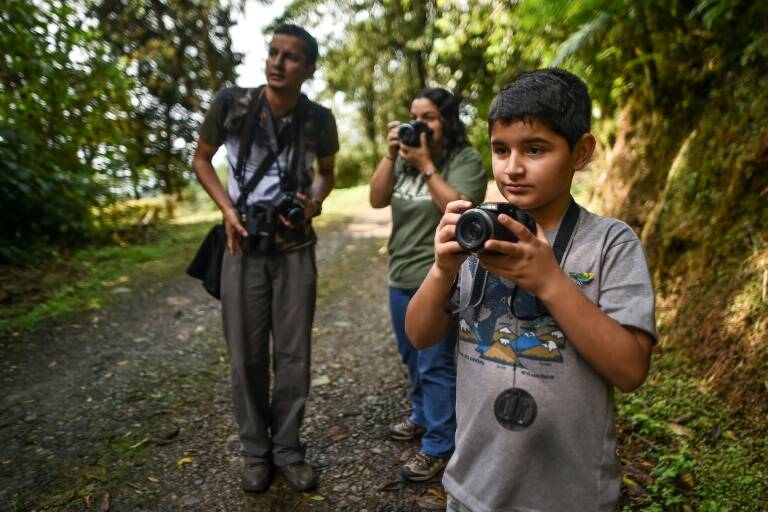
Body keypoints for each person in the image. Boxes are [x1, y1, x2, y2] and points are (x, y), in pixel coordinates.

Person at [405, 69, 656, 511]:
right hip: (473, 488)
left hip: (572, 495)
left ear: (580, 152)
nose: (513, 167)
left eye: (535, 149)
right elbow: (420, 335)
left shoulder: (610, 243)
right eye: (501, 150)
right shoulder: (477, 234)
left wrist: (550, 281)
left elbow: (631, 369)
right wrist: (442, 270)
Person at [192, 24, 338, 493]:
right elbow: (201, 159)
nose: (278, 62)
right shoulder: (231, 105)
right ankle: (255, 452)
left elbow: (326, 174)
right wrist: (227, 210)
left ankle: (289, 450)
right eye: (273, 52)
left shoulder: (318, 118)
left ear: (308, 68)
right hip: (242, 245)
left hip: (295, 248)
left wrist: (312, 202)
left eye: (291, 57)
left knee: (294, 355)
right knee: (247, 356)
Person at [369, 88, 487, 481]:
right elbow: (376, 198)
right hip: (400, 272)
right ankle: (422, 416)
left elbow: (463, 211)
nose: (418, 125)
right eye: (413, 116)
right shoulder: (402, 159)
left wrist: (426, 166)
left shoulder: (463, 160)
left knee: (435, 362)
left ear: (448, 121)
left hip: (439, 276)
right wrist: (392, 155)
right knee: (411, 354)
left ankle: (439, 444)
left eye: (430, 117)